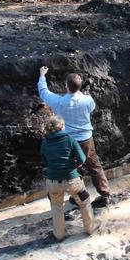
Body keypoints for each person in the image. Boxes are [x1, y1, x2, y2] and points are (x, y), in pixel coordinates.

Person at [38, 66, 112, 207]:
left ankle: (79, 197)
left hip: (69, 141)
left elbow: (43, 92)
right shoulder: (87, 100)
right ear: (80, 86)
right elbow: (91, 108)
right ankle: (105, 194)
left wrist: (42, 75)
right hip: (86, 139)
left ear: (66, 86)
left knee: (74, 169)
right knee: (94, 166)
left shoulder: (59, 102)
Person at [41, 115, 100, 241]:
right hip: (72, 179)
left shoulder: (45, 143)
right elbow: (82, 159)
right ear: (62, 127)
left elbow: (45, 162)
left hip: (52, 181)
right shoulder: (69, 140)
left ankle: (59, 234)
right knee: (84, 202)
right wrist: (75, 165)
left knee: (56, 207)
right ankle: (90, 228)